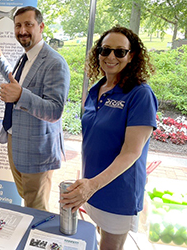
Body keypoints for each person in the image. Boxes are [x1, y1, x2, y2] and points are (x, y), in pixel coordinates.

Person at [60, 25, 158, 250]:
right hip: (92, 186)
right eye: (105, 50)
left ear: (131, 56)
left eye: (119, 52)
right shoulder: (97, 89)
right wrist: (87, 183)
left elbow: (132, 152)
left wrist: (92, 185)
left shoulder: (140, 94)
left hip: (117, 192)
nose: (110, 56)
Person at [0, 6, 70, 211]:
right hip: (16, 142)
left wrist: (21, 96)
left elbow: (54, 110)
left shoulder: (54, 63)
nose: (22, 30)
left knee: (36, 206)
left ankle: (37, 241)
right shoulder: (26, 57)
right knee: (27, 198)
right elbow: (19, 82)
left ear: (41, 27)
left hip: (37, 149)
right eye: (18, 25)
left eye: (28, 24)